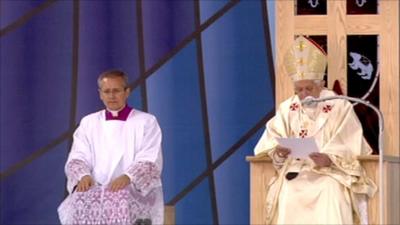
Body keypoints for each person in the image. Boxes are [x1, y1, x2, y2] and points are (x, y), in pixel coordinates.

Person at [254, 36, 377, 224]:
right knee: (287, 192)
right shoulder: (288, 108)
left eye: (308, 88)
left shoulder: (339, 105)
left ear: (321, 84)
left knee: (330, 190)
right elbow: (270, 141)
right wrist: (278, 153)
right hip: (296, 171)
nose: (303, 95)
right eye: (299, 90)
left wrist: (330, 159)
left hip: (329, 172)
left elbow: (350, 142)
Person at [58, 70, 164, 225]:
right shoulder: (89, 123)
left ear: (127, 92)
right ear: (100, 94)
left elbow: (150, 157)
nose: (111, 96)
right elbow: (78, 155)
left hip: (132, 189)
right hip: (95, 186)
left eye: (116, 91)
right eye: (107, 91)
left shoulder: (146, 121)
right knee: (80, 198)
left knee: (121, 198)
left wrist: (128, 177)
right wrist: (83, 176)